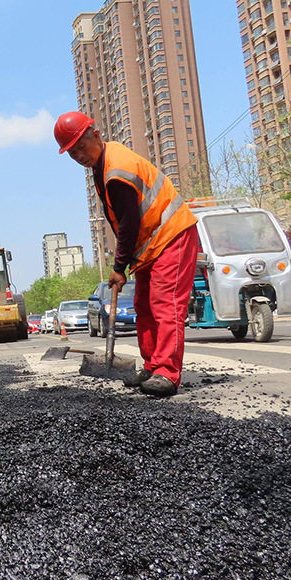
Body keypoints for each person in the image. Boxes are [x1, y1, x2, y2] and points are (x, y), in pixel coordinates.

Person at [54, 111, 199, 397]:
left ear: (95, 134)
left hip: (172, 234)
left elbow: (129, 222)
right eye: (73, 153)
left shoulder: (116, 171)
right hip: (151, 244)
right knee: (143, 305)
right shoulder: (103, 163)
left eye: (81, 147)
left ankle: (168, 373)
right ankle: (153, 365)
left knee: (164, 304)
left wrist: (118, 267)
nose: (80, 156)